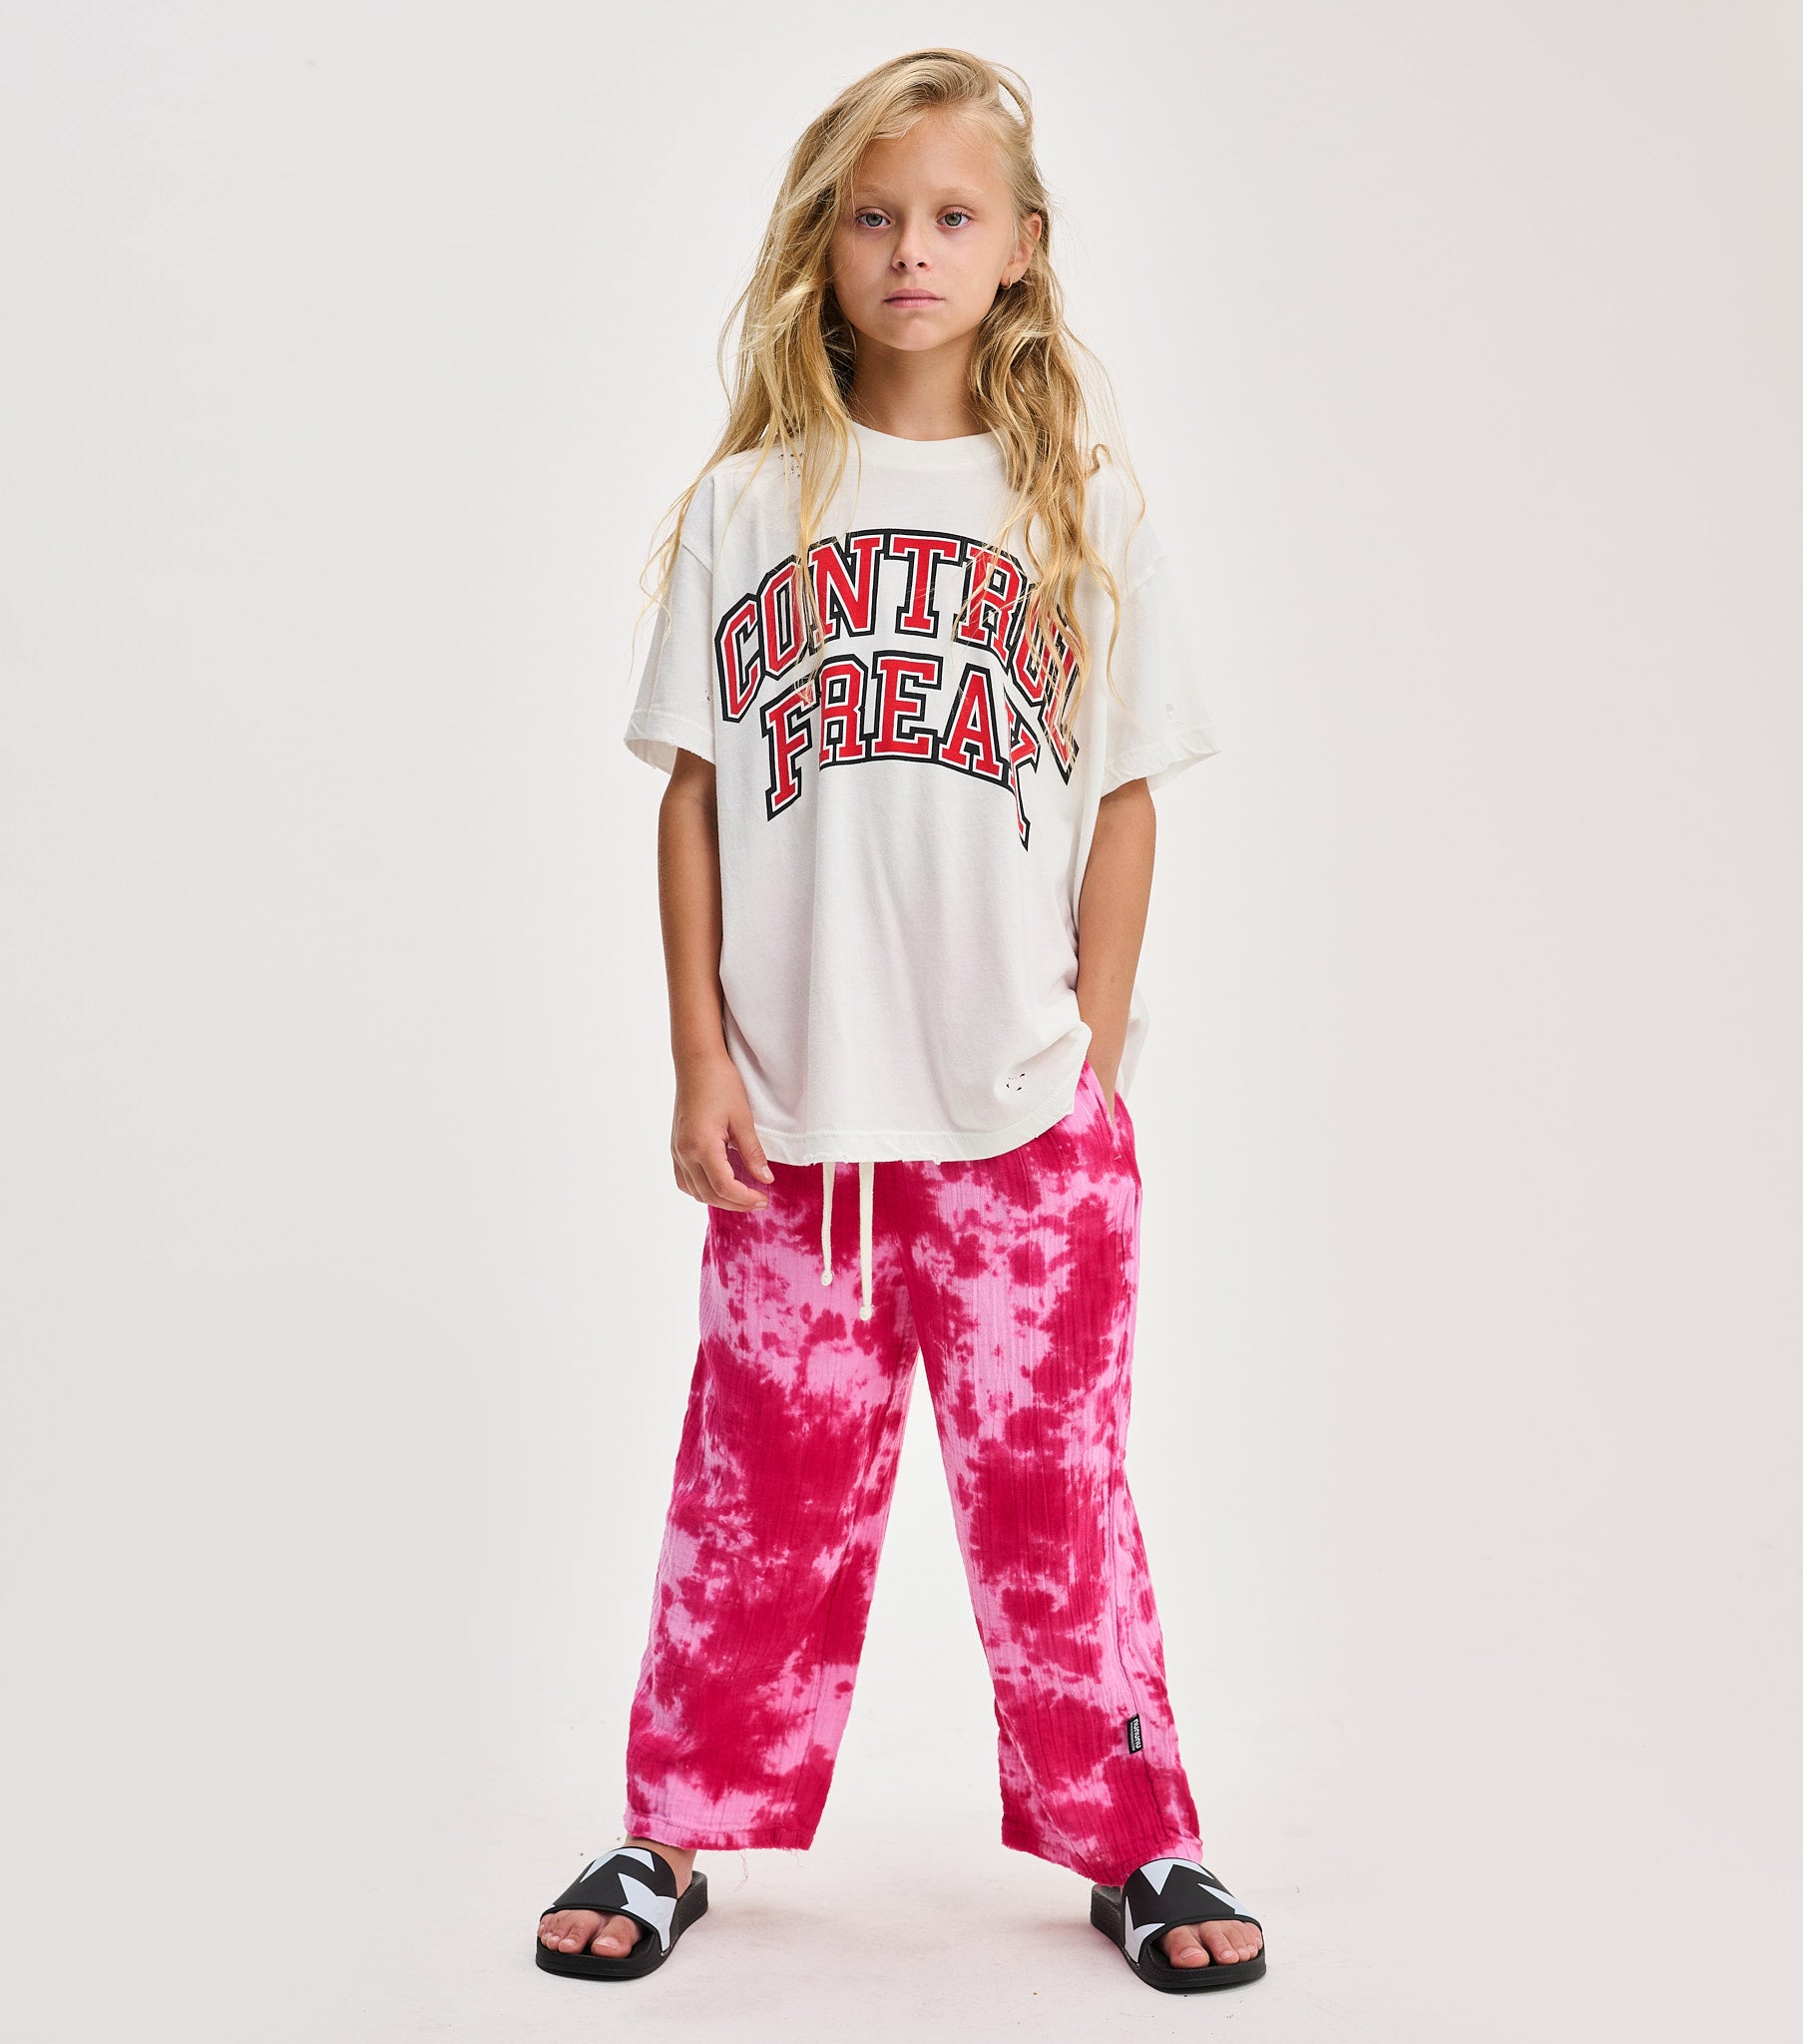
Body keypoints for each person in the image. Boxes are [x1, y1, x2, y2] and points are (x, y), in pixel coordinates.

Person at [535, 48, 1267, 1996]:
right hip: (795, 1124)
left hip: (1022, 1119)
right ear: (822, 245)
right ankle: (674, 1826)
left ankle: (1139, 1837)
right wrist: (699, 1054)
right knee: (754, 1494)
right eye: (872, 215)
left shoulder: (1077, 505)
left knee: (1058, 1498)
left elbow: (1128, 794)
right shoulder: (750, 505)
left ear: (1021, 248)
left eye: (951, 214)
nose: (910, 249)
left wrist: (1090, 1040)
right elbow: (694, 795)